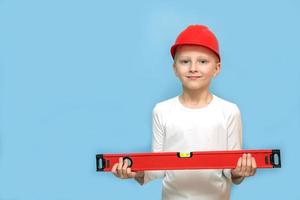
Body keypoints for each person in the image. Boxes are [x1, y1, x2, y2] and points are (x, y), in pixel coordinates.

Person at [111, 25, 257, 200]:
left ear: (216, 68)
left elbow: (232, 171)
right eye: (185, 61)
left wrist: (241, 171)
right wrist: (134, 173)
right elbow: (157, 168)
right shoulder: (162, 110)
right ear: (175, 68)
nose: (193, 68)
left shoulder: (229, 111)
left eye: (202, 61)